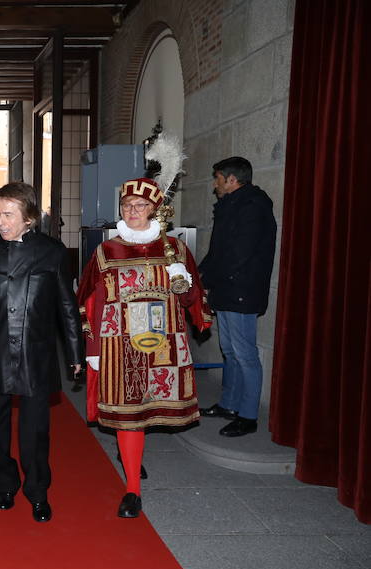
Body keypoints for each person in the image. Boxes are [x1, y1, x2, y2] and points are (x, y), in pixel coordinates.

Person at [77, 177, 213, 518]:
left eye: (140, 206)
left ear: (155, 210)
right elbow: (91, 300)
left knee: (149, 408)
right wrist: (92, 346)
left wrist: (184, 283)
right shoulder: (106, 251)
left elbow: (192, 300)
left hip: (162, 344)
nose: (132, 211)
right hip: (118, 346)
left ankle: (132, 459)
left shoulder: (176, 250)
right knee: (128, 416)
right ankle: (133, 490)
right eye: (126, 206)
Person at [0, 181, 82, 523]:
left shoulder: (52, 251)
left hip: (36, 352)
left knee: (35, 431)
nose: (0, 221)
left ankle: (37, 490)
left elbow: (66, 305)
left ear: (29, 217)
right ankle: (6, 480)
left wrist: (75, 353)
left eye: (8, 214)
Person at [198, 157, 277, 437]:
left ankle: (248, 415)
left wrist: (207, 280)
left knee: (245, 354)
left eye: (218, 178)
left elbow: (239, 255)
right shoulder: (231, 205)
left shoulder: (253, 206)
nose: (215, 184)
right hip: (227, 288)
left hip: (242, 289)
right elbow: (218, 250)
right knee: (229, 350)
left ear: (232, 180)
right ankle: (229, 404)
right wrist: (198, 277)